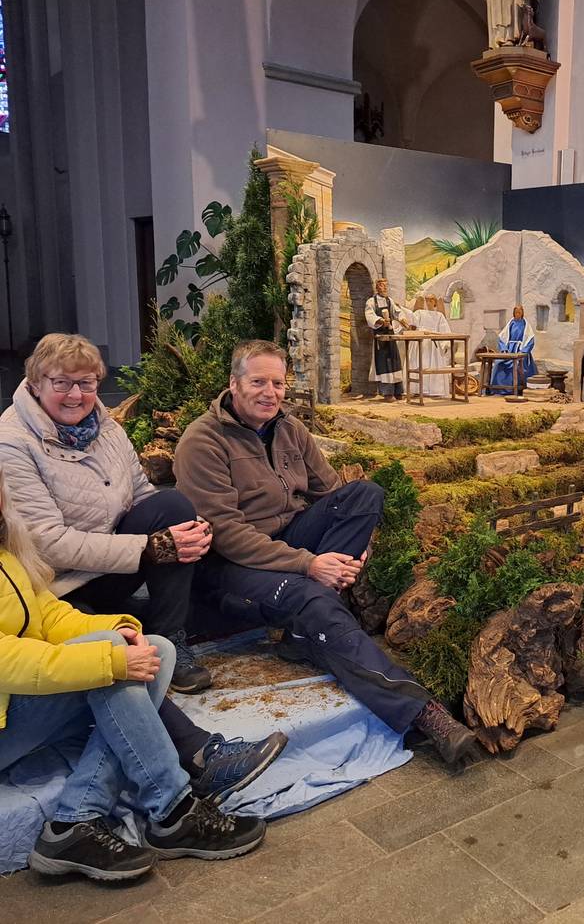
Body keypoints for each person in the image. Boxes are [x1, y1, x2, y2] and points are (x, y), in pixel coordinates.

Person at [0, 333, 287, 803]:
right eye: (63, 383)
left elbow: (143, 492)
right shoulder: (12, 444)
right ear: (34, 383)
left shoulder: (104, 425)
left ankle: (171, 638)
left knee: (175, 506)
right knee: (112, 666)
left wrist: (177, 536)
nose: (76, 395)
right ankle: (191, 763)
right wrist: (150, 549)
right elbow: (47, 546)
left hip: (98, 576)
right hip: (60, 586)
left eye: (88, 383)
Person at [173, 340, 480, 767]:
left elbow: (334, 494)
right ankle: (422, 712)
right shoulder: (202, 441)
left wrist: (357, 546)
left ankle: (305, 627)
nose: (270, 392)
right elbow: (224, 533)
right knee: (310, 595)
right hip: (232, 566)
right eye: (258, 381)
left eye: (277, 383)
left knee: (365, 494)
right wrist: (309, 565)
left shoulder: (289, 429)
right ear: (233, 383)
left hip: (291, 540)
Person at [0, 471, 266, 881]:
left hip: (19, 707)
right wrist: (109, 660)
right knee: (113, 661)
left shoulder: (6, 548)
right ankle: (174, 808)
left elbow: (47, 613)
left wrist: (125, 629)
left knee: (156, 648)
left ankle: (74, 823)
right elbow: (5, 658)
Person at [365, 278, 413, 402]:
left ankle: (398, 391)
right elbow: (370, 316)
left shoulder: (389, 300)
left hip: (391, 336)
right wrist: (381, 321)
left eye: (386, 286)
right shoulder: (371, 302)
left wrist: (402, 320)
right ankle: (387, 393)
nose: (385, 288)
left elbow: (397, 312)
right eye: (382, 286)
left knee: (395, 362)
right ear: (377, 287)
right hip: (381, 338)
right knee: (384, 365)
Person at [408, 294, 452, 398]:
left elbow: (444, 330)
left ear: (435, 302)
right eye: (426, 301)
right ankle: (417, 389)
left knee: (433, 365)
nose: (428, 303)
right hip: (420, 343)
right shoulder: (419, 313)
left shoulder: (439, 316)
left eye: (430, 301)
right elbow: (412, 321)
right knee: (419, 364)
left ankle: (434, 390)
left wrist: (445, 344)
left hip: (433, 345)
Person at [489, 305, 537, 394]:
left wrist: (523, 351)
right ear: (514, 313)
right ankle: (499, 388)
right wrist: (504, 349)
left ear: (522, 313)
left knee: (517, 365)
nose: (518, 314)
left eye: (519, 312)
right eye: (516, 312)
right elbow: (502, 337)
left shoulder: (525, 324)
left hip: (520, 350)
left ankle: (517, 388)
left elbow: (530, 339)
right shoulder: (511, 323)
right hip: (509, 350)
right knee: (499, 364)